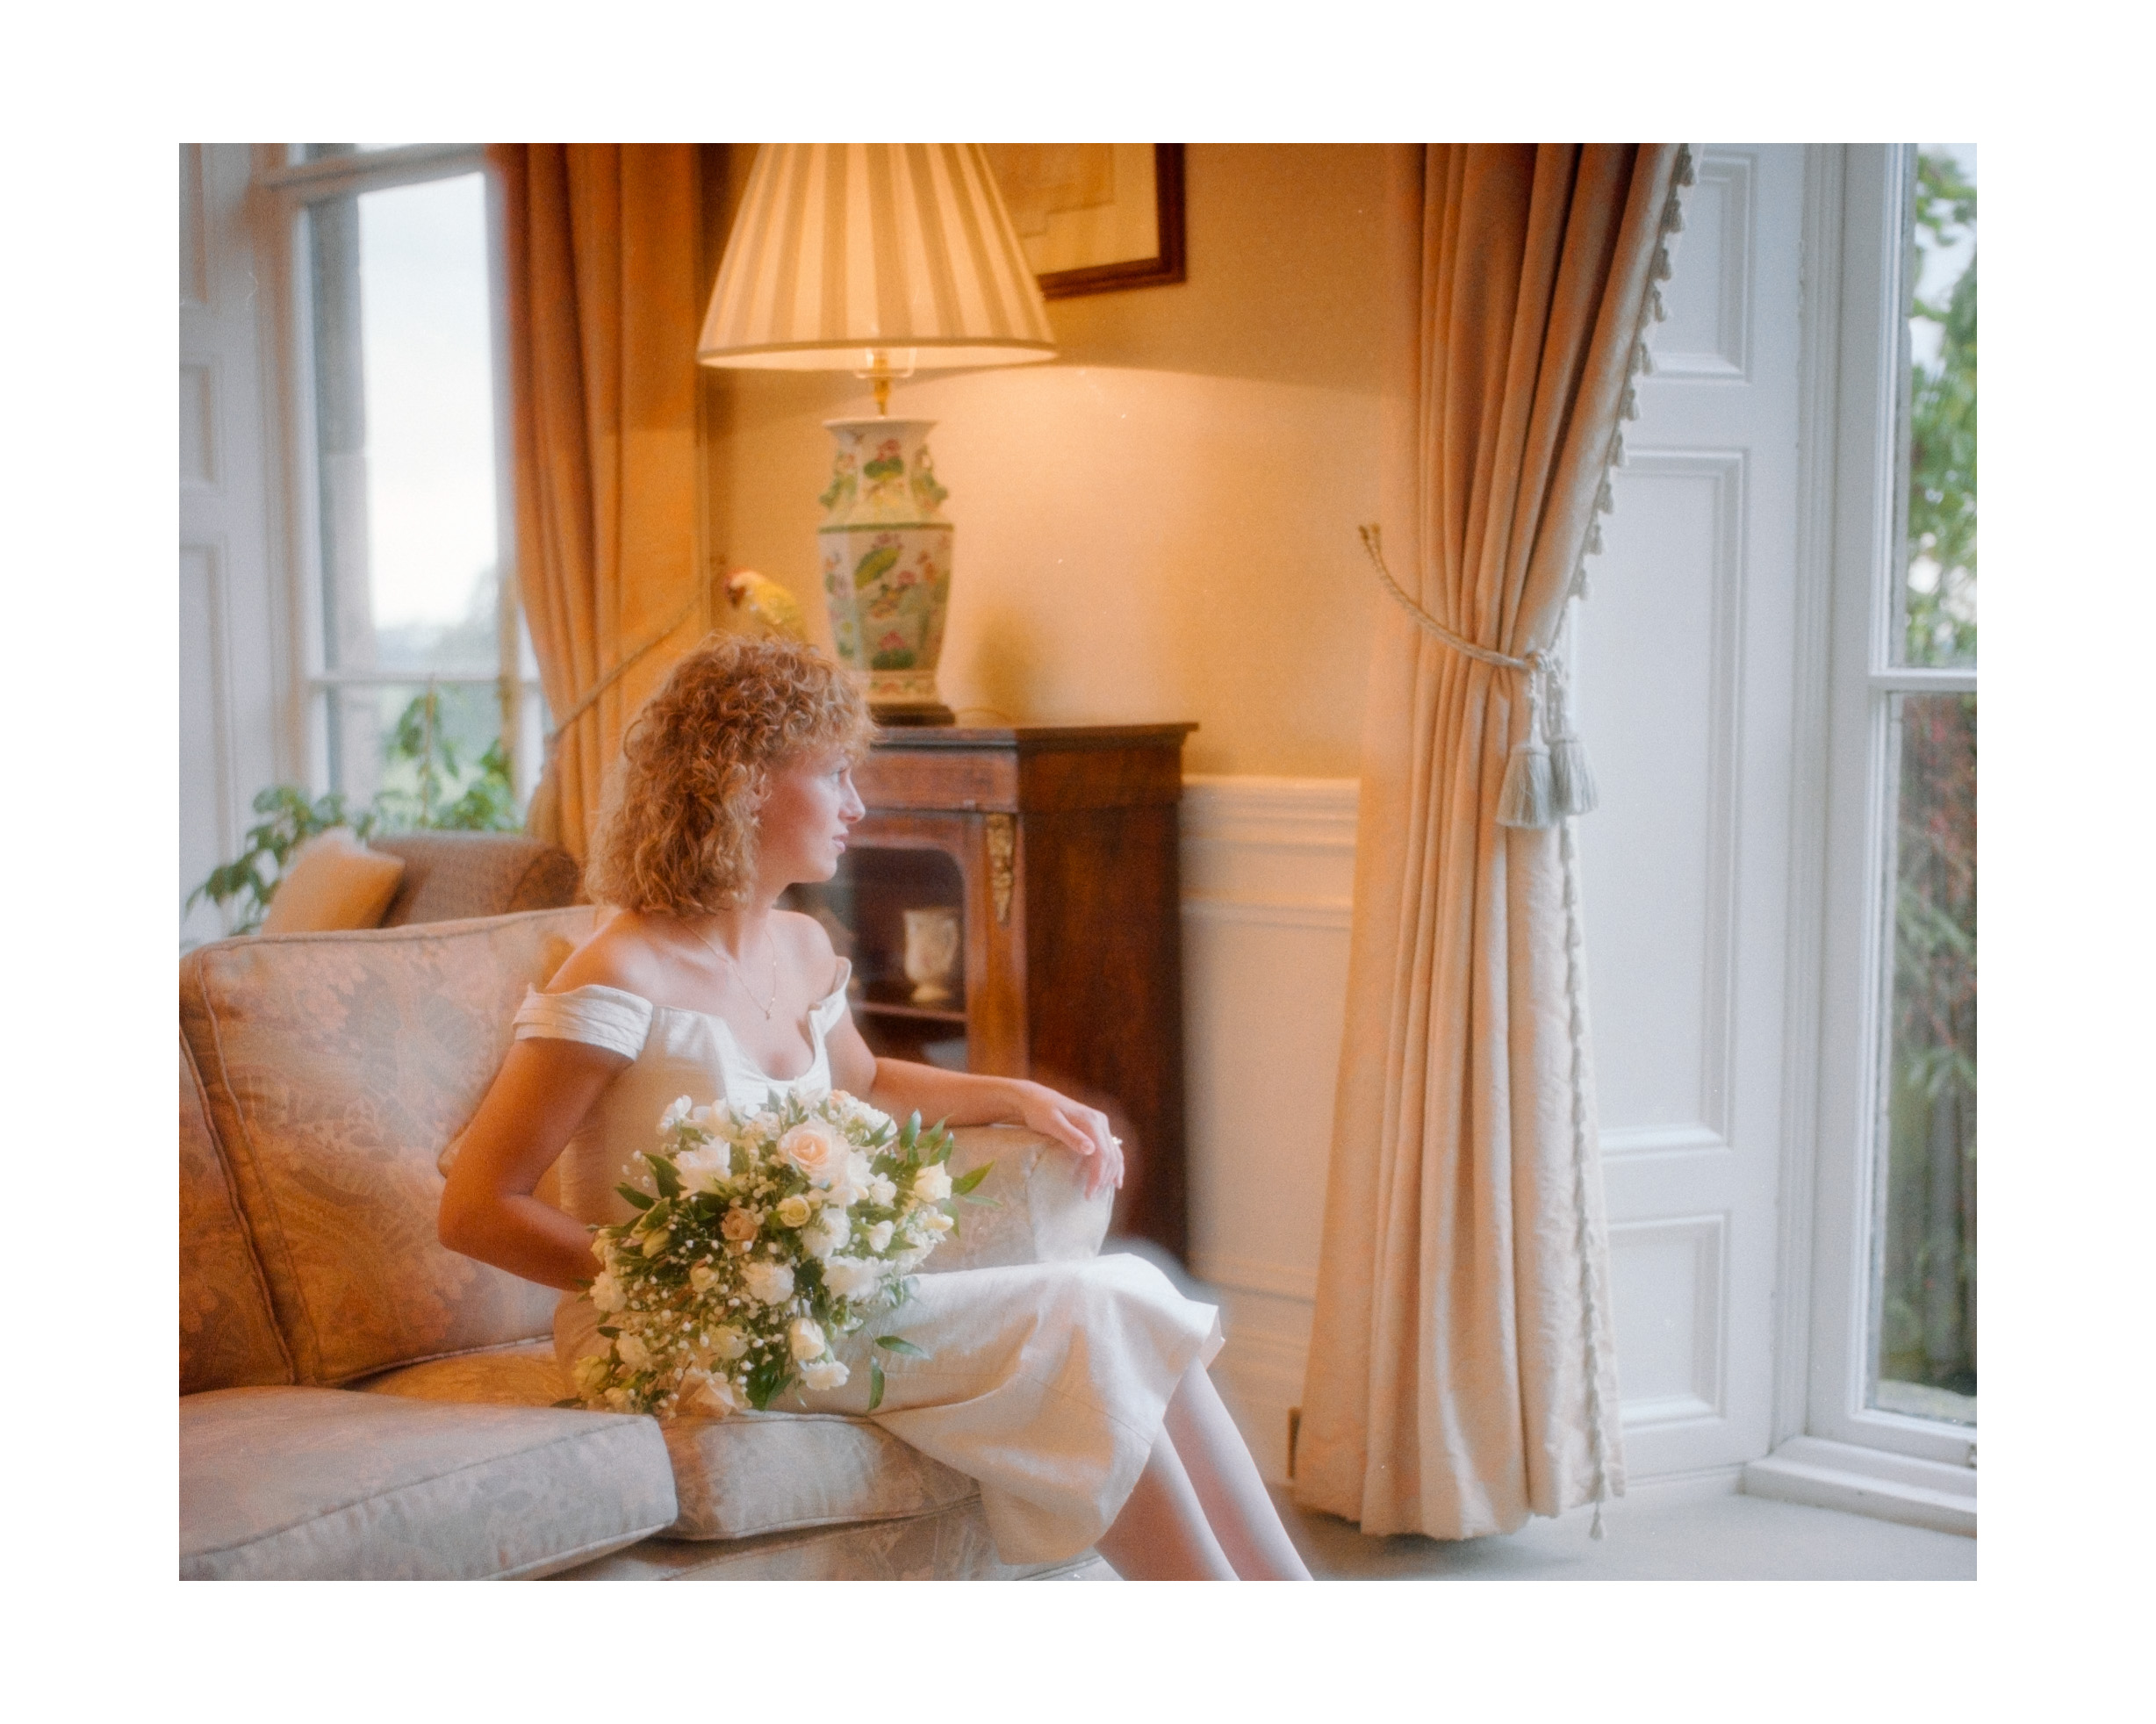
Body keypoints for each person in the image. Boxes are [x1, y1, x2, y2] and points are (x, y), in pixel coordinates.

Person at [439, 633, 1311, 1581]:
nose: (859, 804)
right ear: (745, 782)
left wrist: (1019, 1095)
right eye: (835, 775)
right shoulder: (619, 969)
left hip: (811, 1308)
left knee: (1131, 1293)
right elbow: (477, 1205)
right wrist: (685, 1285)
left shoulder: (802, 942)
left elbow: (866, 1082)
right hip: (674, 1336)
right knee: (1089, 1313)